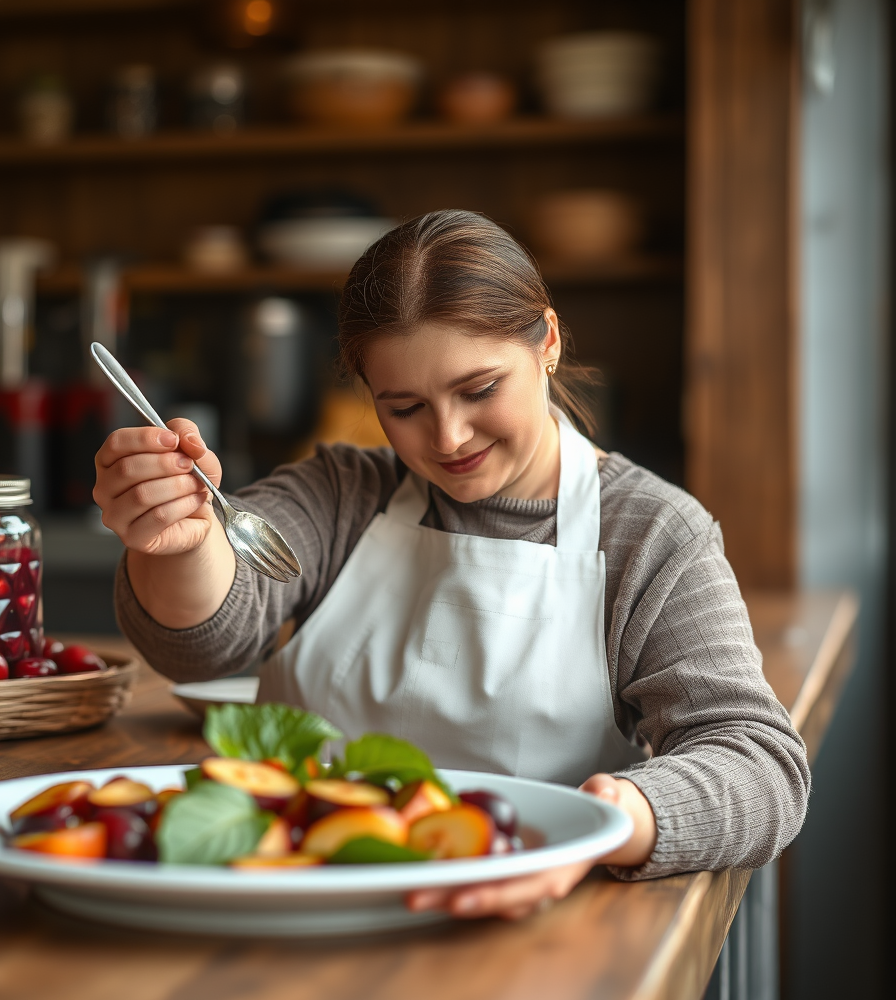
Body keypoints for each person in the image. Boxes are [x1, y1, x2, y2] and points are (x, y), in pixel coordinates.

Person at [95, 210, 810, 919]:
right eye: (403, 407)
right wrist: (184, 540)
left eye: (479, 390)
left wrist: (613, 819)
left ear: (548, 342)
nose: (448, 437)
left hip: (522, 927)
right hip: (295, 905)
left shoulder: (650, 533)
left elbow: (758, 764)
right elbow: (202, 644)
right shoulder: (346, 492)